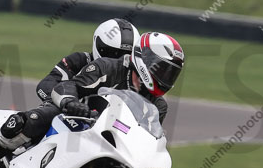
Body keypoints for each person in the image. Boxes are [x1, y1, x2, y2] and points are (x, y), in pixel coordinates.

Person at [0, 18, 140, 168]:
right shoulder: (80, 60)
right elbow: (46, 84)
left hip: (100, 128)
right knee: (33, 119)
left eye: (123, 55)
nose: (114, 59)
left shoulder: (130, 81)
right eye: (110, 53)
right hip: (65, 112)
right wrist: (66, 103)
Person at [51, 31, 185, 125]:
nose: (166, 77)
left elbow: (152, 140)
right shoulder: (106, 68)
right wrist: (71, 102)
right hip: (76, 125)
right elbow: (68, 86)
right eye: (162, 70)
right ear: (144, 58)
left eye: (171, 73)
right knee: (39, 118)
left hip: (118, 148)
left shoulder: (158, 106)